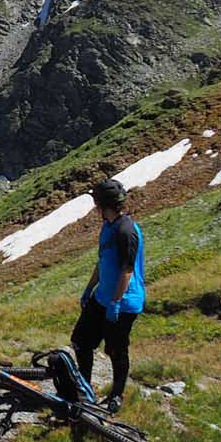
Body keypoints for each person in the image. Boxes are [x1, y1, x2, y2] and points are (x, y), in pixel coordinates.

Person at [74, 176, 146, 410]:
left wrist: (115, 303)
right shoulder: (108, 227)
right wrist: (89, 289)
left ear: (104, 205)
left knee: (116, 349)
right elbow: (102, 261)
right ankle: (84, 388)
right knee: (81, 341)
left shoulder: (126, 231)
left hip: (122, 302)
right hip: (102, 296)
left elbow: (127, 270)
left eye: (96, 203)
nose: (95, 208)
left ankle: (117, 394)